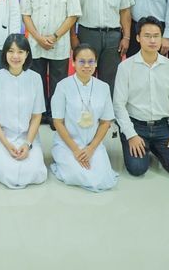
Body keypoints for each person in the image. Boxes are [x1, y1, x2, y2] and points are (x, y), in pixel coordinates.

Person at [112, 17, 169, 177]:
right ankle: (141, 144)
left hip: (162, 126)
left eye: (156, 36)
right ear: (138, 38)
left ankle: (154, 146)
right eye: (147, 36)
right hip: (136, 125)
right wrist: (131, 135)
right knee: (137, 169)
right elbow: (118, 105)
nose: (152, 40)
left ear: (161, 38)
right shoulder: (125, 67)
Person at [21, 0, 81, 124]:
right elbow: (26, 15)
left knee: (58, 82)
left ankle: (56, 117)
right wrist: (39, 38)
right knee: (36, 82)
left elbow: (73, 15)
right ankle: (39, 116)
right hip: (35, 44)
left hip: (59, 44)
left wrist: (55, 36)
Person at [0, 35, 48, 189]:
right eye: (11, 51)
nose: (15, 56)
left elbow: (36, 116)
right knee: (8, 174)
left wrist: (28, 143)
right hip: (0, 137)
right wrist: (7, 144)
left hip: (27, 136)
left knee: (35, 174)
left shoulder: (35, 79)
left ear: (27, 54)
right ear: (5, 53)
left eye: (20, 52)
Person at [49, 44, 118, 191]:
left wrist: (91, 148)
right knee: (79, 175)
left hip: (93, 144)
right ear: (73, 62)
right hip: (68, 144)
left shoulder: (103, 87)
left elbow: (105, 122)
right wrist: (75, 149)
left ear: (96, 63)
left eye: (91, 61)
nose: (87, 66)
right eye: (81, 61)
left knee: (103, 178)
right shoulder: (63, 86)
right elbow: (58, 122)